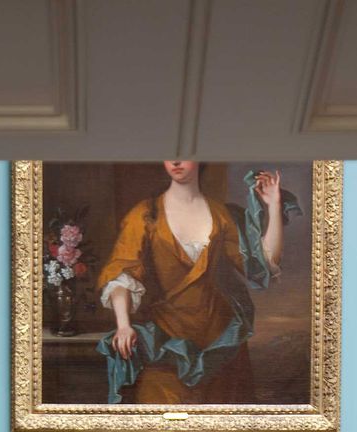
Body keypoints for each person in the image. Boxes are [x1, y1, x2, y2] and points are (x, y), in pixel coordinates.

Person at [97, 160, 297, 406]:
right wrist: (124, 325)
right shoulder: (146, 214)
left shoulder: (220, 214)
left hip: (221, 341)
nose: (176, 161)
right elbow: (122, 272)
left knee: (223, 424)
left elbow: (262, 265)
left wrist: (274, 206)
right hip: (169, 338)